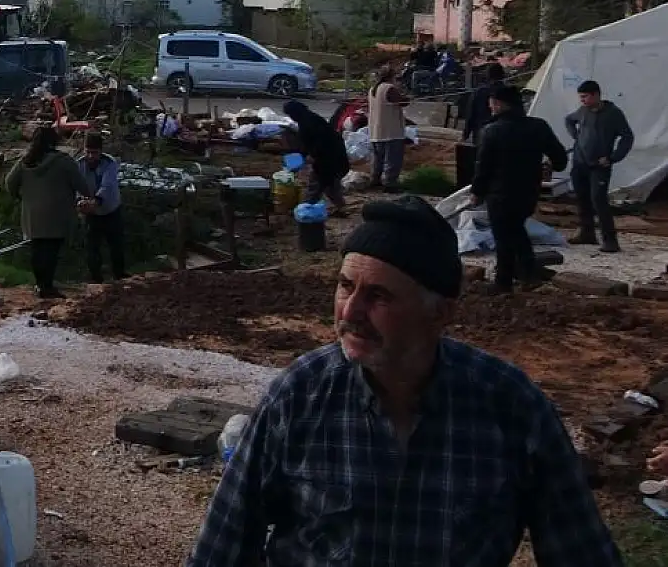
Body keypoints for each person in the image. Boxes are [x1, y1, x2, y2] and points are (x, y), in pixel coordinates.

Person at [187, 195, 621, 567]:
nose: (350, 312)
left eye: (378, 296)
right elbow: (222, 545)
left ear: (440, 313)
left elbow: (581, 551)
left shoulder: (511, 407)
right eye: (344, 286)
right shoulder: (301, 392)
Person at [470, 84, 567, 292]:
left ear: (499, 104)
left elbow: (483, 166)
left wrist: (477, 192)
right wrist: (552, 164)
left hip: (500, 193)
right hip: (528, 191)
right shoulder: (539, 126)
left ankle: (503, 282)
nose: (490, 108)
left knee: (504, 236)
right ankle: (529, 273)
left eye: (492, 104)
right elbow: (560, 158)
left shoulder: (491, 131)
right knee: (516, 229)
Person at [5, 124, 95, 298]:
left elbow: (9, 183)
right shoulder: (63, 161)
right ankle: (47, 287)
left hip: (31, 215)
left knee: (37, 250)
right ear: (54, 141)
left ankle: (40, 285)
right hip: (56, 215)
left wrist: (21, 197)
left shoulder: (25, 161)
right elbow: (82, 186)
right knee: (51, 251)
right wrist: (89, 195)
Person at [565, 79, 634, 254]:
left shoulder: (613, 114)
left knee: (598, 199)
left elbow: (627, 137)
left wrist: (613, 157)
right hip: (580, 162)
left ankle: (610, 240)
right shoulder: (583, 111)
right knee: (582, 198)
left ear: (596, 95)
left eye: (585, 97)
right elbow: (569, 120)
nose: (582, 101)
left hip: (599, 165)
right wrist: (577, 137)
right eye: (580, 97)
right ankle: (587, 233)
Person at [284, 99, 349, 218]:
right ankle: (341, 207)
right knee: (330, 185)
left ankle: (305, 209)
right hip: (333, 156)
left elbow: (319, 142)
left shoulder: (308, 123)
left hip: (329, 158)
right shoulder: (310, 119)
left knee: (316, 183)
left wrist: (312, 155)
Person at [77, 131, 125, 282]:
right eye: (88, 152)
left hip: (110, 209)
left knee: (116, 245)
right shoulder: (79, 164)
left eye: (95, 153)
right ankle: (95, 278)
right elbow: (76, 186)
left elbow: (107, 185)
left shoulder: (109, 163)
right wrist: (79, 201)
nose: (91, 156)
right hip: (91, 213)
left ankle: (120, 275)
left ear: (101, 152)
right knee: (92, 247)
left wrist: (95, 201)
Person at [367, 68, 410, 191]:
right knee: (392, 159)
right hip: (391, 130)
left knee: (377, 159)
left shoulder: (373, 89)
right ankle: (390, 184)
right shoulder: (388, 88)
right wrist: (407, 97)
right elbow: (402, 102)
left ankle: (375, 181)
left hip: (376, 130)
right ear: (391, 76)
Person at [463, 61, 506, 143]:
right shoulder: (509, 93)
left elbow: (471, 114)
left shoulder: (479, 92)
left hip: (481, 133)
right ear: (503, 75)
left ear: (488, 75)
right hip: (502, 135)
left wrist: (466, 133)